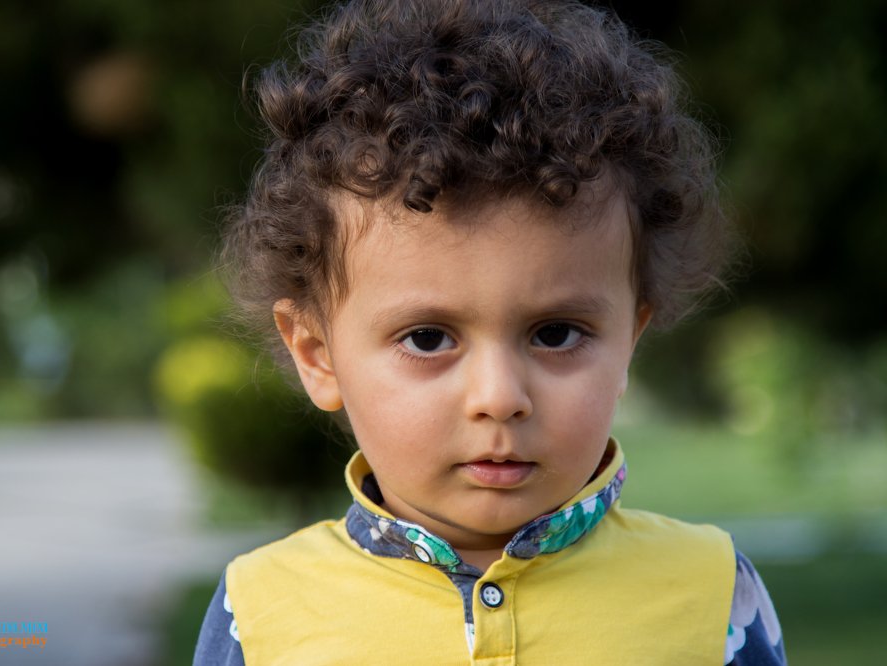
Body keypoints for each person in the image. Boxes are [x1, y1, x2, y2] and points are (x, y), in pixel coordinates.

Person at [194, 0, 786, 663]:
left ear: (630, 341)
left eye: (557, 334)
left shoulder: (710, 593)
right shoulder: (262, 610)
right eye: (427, 338)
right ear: (317, 354)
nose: (500, 396)